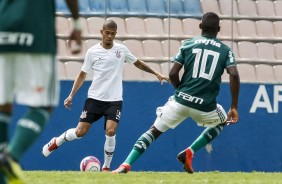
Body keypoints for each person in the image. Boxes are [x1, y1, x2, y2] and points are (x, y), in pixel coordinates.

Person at [112, 12, 240, 174]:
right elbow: (234, 74)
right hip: (205, 107)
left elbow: (173, 74)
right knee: (222, 121)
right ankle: (190, 152)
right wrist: (234, 106)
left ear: (200, 26)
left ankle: (125, 165)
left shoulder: (187, 44)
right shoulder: (226, 51)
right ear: (219, 29)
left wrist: (181, 92)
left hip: (180, 101)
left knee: (154, 131)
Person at [42, 19, 170, 172]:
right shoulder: (92, 52)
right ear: (101, 32)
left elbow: (137, 63)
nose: (110, 36)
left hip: (114, 100)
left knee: (111, 131)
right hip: (94, 99)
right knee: (80, 132)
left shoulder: (121, 50)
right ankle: (57, 141)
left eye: (113, 34)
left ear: (116, 34)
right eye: (107, 33)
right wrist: (71, 96)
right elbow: (82, 75)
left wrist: (156, 73)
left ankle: (106, 167)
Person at [0, 0, 82, 183]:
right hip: (36, 33)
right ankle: (11, 156)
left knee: (2, 106)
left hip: (2, 29)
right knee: (43, 105)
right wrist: (76, 23)